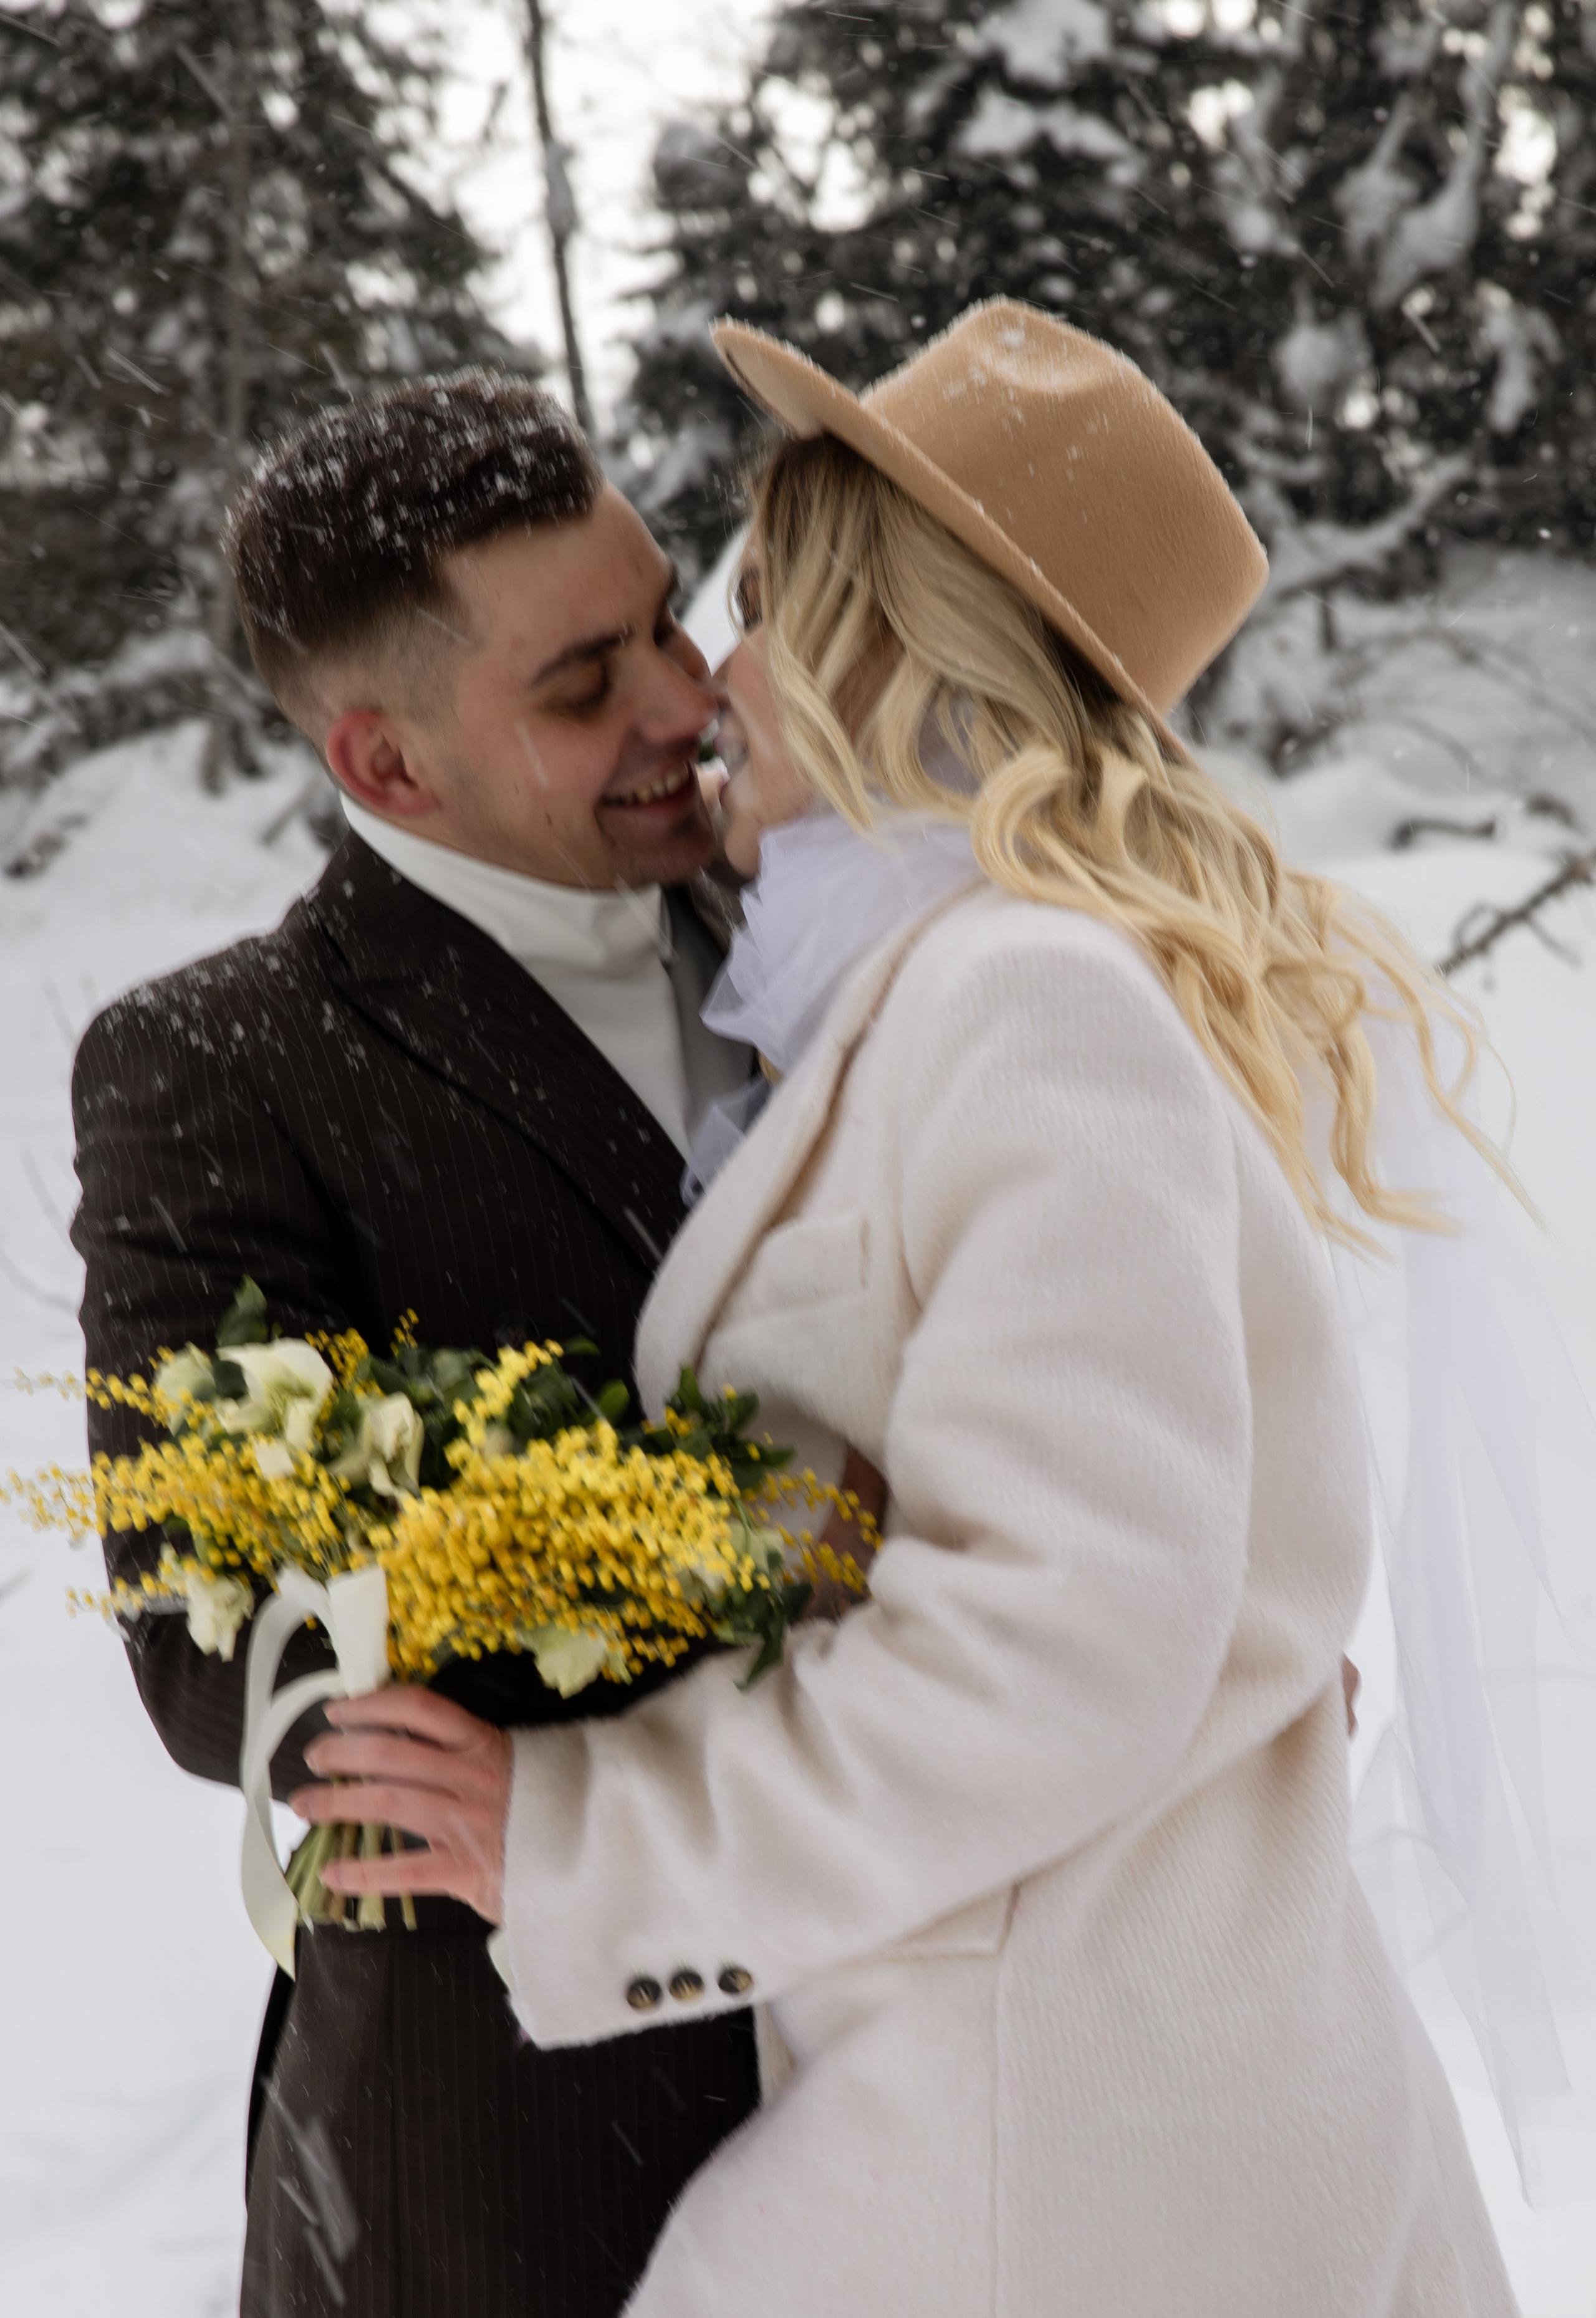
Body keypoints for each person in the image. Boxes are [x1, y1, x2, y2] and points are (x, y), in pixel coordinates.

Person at [292, 307, 1519, 2312]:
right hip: (1091, 2088)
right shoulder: (923, 991)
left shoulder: (1027, 999)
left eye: (766, 606)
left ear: (884, 646)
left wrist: (586, 1835)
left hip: (1048, 2137)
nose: (721, 682)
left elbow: (1060, 1636)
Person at [70, 371, 761, 2318]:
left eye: (666, 625)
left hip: (936, 2043)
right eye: (580, 684)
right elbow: (231, 1659)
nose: (684, 705)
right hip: (519, 2145)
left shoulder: (833, 917)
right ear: (383, 767)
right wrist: (776, 1551)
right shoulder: (223, 1066)